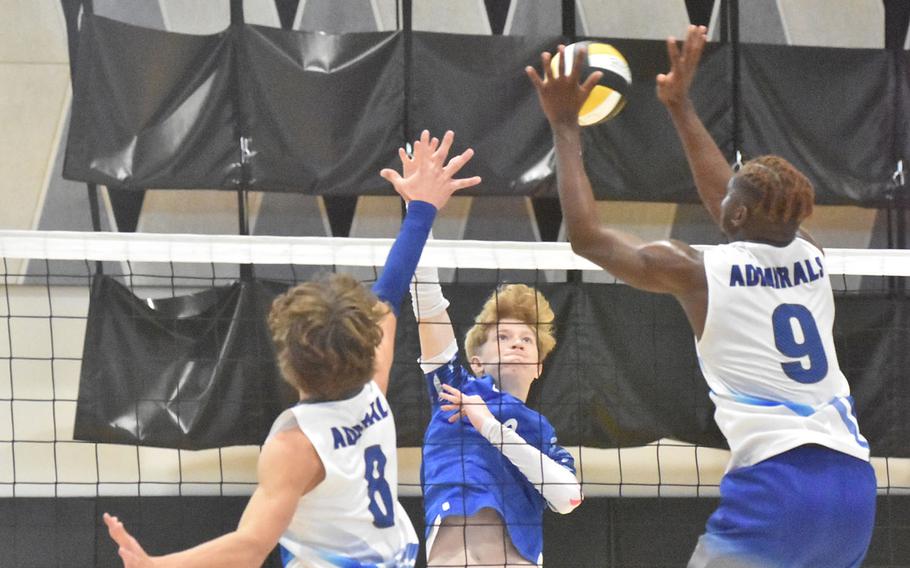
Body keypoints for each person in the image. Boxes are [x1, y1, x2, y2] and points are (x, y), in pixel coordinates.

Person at [526, 25, 876, 568]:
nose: (722, 193)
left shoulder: (698, 270)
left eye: (732, 194)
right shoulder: (810, 254)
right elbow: (731, 200)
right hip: (854, 487)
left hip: (777, 487)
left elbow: (587, 238)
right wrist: (680, 106)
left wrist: (566, 127)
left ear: (736, 216)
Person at [101, 129, 482, 568]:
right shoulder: (371, 389)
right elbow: (389, 293)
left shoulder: (295, 446)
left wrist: (156, 566)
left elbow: (249, 548)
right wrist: (421, 209)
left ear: (289, 363)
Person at [404, 144, 582, 565]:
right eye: (504, 337)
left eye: (528, 340)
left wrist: (486, 423)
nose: (519, 342)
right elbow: (428, 304)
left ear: (539, 367)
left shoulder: (540, 431)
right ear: (477, 360)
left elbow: (569, 498)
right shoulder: (453, 390)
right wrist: (420, 213)